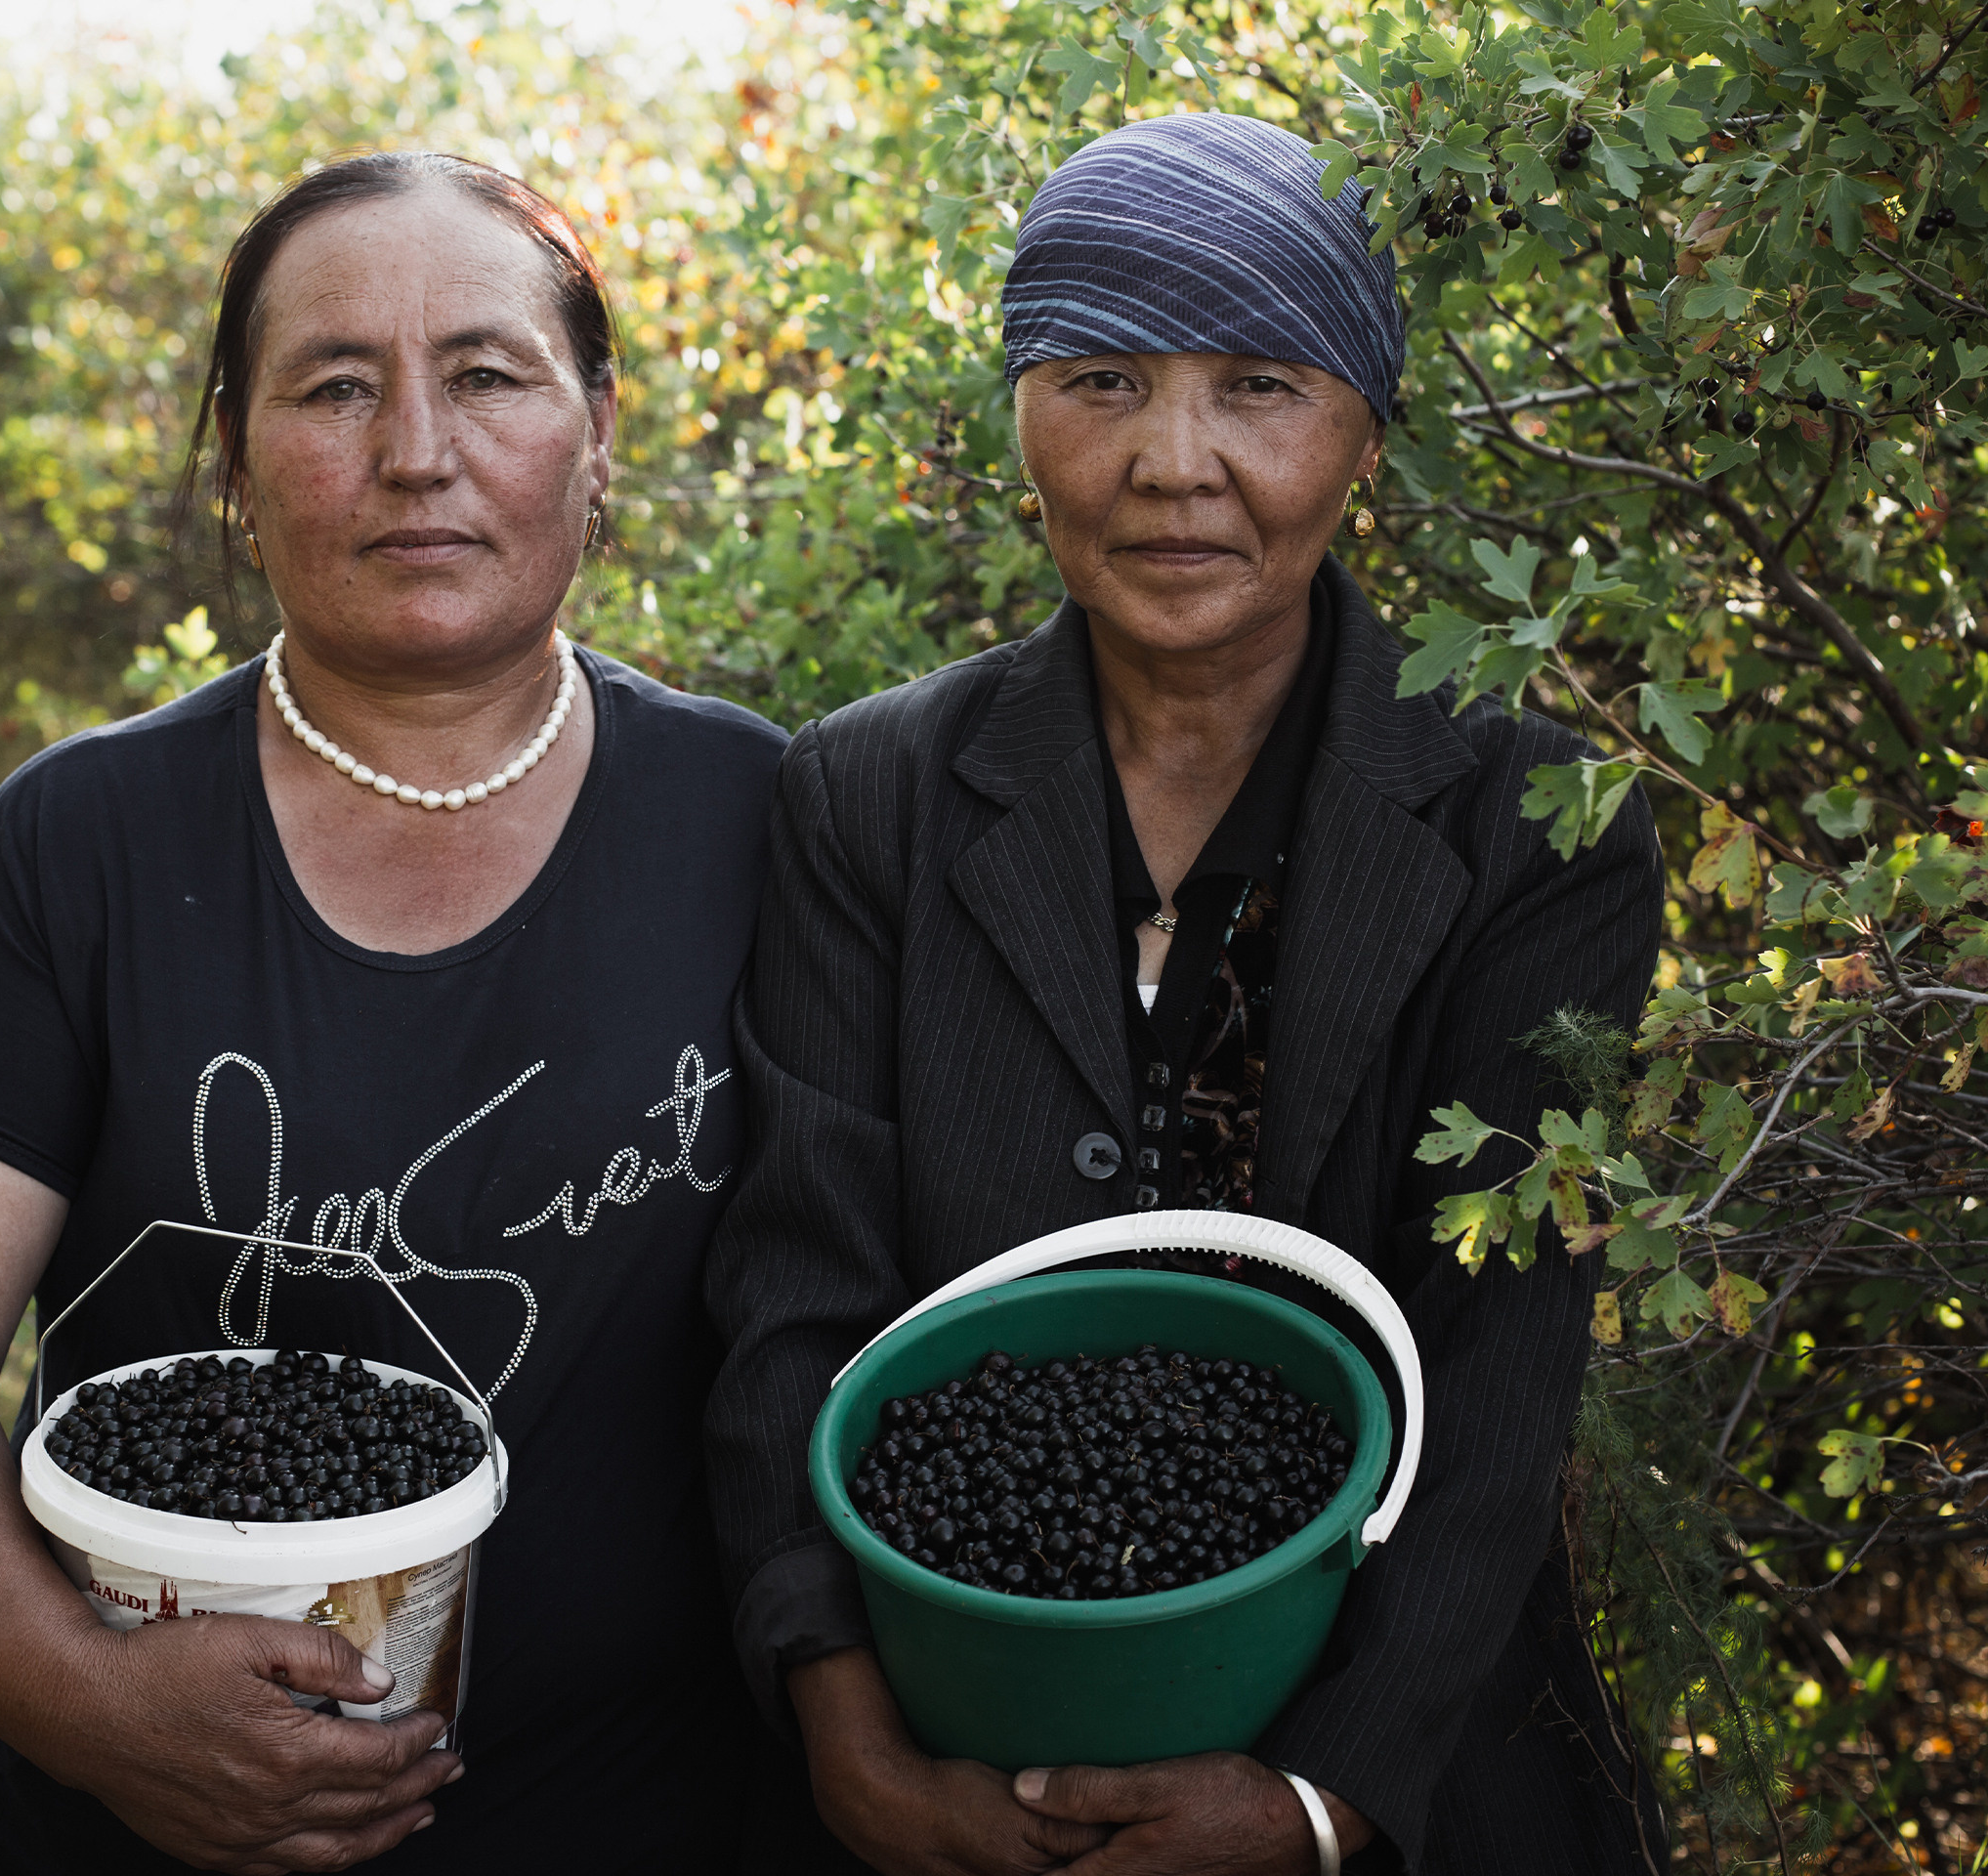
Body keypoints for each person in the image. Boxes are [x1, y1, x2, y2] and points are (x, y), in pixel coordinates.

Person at [0, 151, 785, 1874]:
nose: (417, 451)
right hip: (152, 1834)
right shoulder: (81, 846)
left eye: (488, 374)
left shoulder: (764, 821)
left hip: (664, 1820)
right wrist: (81, 1701)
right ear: (237, 461)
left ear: (597, 430)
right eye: (333, 387)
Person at [706, 112, 1667, 1876]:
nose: (1174, 464)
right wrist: (847, 1731)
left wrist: (1319, 1802)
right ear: (1020, 419)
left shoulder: (1539, 827)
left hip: (1405, 1756)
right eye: (1102, 382)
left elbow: (1506, 1356)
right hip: (951, 1735)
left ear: (1365, 429)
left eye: (1260, 387)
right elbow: (796, 1285)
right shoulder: (869, 795)